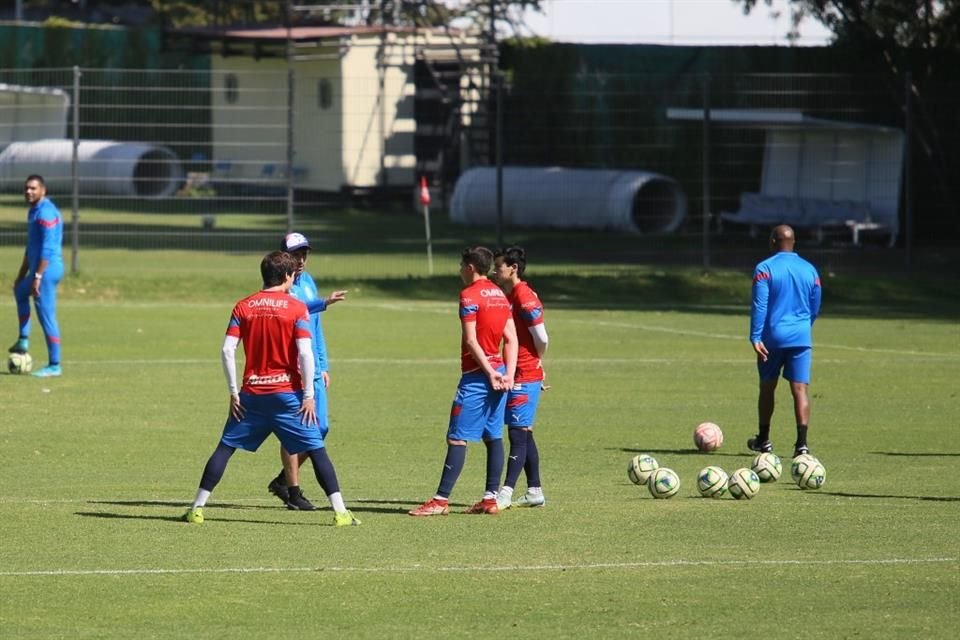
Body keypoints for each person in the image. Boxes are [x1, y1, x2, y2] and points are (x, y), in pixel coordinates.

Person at [182, 251, 359, 527]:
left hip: (251, 396)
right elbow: (305, 354)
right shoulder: (296, 308)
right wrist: (309, 396)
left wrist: (233, 392)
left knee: (225, 447)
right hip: (288, 395)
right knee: (317, 449)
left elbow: (227, 350)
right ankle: (341, 513)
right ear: (288, 277)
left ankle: (196, 508)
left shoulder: (243, 306)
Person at [409, 246, 518, 516]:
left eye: (461, 266)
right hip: (500, 373)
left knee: (457, 438)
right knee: (493, 436)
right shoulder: (500, 295)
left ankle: (440, 500)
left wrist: (489, 373)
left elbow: (471, 340)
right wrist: (507, 374)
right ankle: (490, 498)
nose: (460, 271)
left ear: (470, 267)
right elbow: (512, 339)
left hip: (477, 378)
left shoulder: (469, 295)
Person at [265, 232, 348, 511]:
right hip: (292, 369)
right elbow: (298, 309)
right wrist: (324, 301)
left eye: (304, 254)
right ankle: (293, 491)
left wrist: (323, 364)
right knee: (297, 432)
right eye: (295, 254)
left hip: (313, 368)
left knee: (320, 429)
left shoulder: (309, 282)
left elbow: (316, 327)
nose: (300, 260)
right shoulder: (281, 286)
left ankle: (282, 481)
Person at [747, 225, 822, 458]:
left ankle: (764, 440)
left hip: (772, 337)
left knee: (767, 387)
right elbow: (815, 304)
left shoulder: (765, 268)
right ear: (794, 242)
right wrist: (803, 327)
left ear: (772, 241)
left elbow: (760, 304)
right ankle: (802, 445)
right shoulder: (810, 270)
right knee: (800, 389)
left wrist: (756, 336)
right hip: (801, 336)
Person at [491, 246, 550, 510]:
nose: (495, 270)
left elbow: (543, 337)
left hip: (524, 373)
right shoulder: (512, 294)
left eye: (499, 266)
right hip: (518, 371)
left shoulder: (524, 297)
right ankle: (535, 490)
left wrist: (536, 362)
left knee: (517, 433)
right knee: (524, 432)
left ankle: (505, 492)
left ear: (513, 268)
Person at [9, 175, 64, 377]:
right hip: (38, 270)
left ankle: (55, 365)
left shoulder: (47, 213)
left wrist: (38, 277)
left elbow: (48, 249)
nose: (28, 192)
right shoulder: (34, 211)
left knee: (46, 316)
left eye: (33, 188)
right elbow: (31, 247)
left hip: (48, 270)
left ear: (43, 190)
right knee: (20, 291)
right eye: (26, 188)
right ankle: (23, 339)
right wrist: (21, 275)